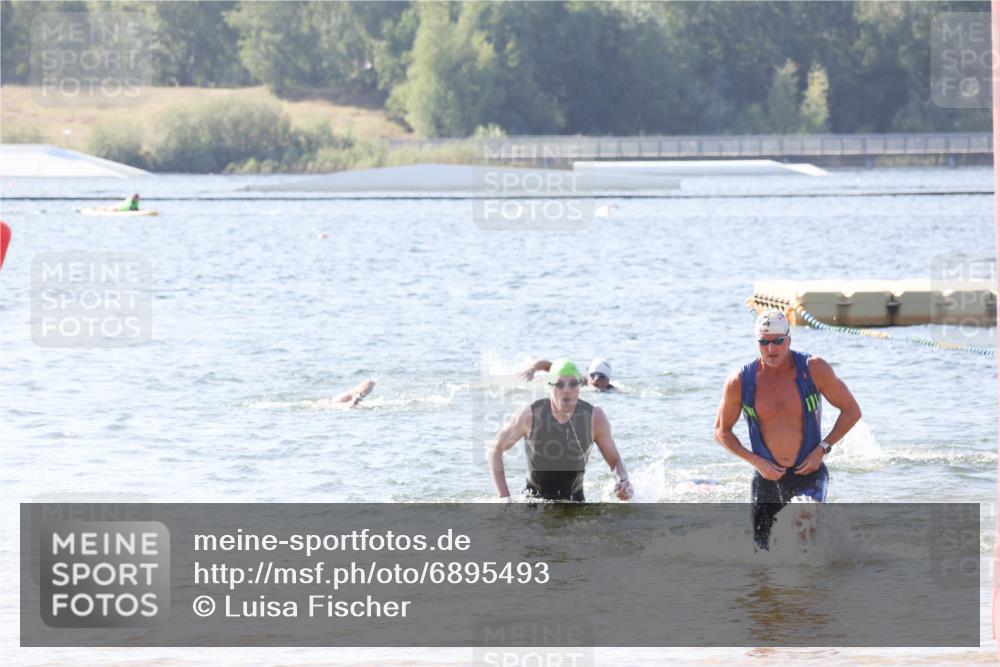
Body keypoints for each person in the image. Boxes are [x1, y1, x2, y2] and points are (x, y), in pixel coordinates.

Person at [713, 310, 861, 550]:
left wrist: (822, 449)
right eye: (764, 342)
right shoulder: (740, 381)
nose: (771, 349)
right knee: (762, 555)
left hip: (809, 472)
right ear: (757, 343)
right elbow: (721, 431)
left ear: (789, 340)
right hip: (767, 478)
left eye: (778, 341)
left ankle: (812, 585)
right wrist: (756, 462)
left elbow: (852, 411)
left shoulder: (813, 369)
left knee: (803, 527)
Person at [490, 359, 633, 502]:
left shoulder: (595, 418)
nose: (566, 390)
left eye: (573, 384)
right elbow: (495, 449)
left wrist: (623, 481)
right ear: (550, 386)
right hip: (533, 503)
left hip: (575, 503)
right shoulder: (530, 415)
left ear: (580, 385)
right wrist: (504, 498)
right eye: (559, 384)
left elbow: (615, 462)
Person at [520, 357, 616, 392]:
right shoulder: (578, 378)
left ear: (608, 380)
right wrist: (532, 369)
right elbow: (547, 365)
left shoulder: (612, 390)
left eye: (601, 377)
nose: (595, 380)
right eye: (593, 375)